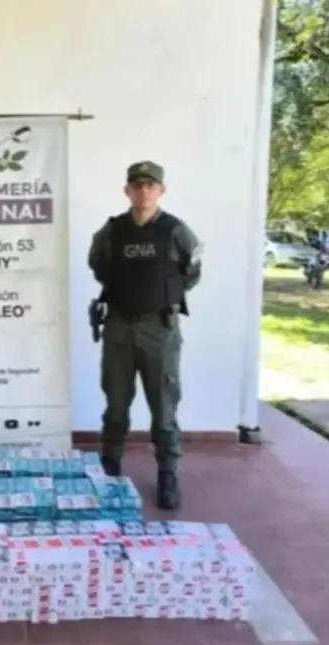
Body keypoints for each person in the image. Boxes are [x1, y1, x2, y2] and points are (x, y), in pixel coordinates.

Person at [86, 161, 203, 510]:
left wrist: (159, 294)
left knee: (163, 406)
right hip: (119, 327)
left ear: (161, 191)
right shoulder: (111, 231)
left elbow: (191, 272)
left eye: (151, 185)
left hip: (159, 329)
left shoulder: (176, 230)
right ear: (127, 190)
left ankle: (168, 473)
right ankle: (110, 467)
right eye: (137, 185)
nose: (144, 191)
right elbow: (99, 266)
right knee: (116, 404)